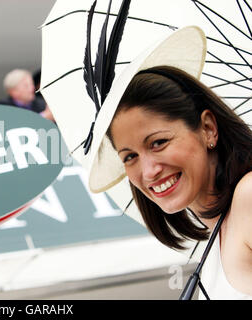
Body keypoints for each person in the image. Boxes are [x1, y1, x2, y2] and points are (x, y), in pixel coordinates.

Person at [43, 24, 251, 299]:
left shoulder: (248, 197)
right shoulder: (214, 240)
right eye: (130, 157)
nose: (149, 171)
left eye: (158, 143)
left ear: (208, 129)